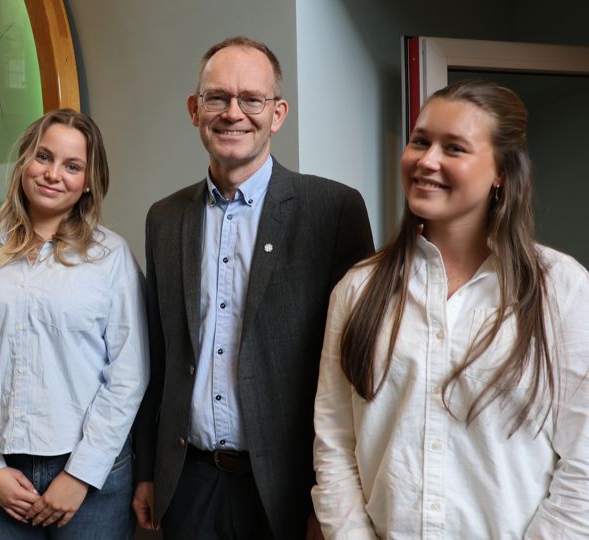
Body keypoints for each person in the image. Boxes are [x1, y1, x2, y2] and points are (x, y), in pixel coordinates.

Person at [312, 79, 589, 537]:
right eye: (420, 141)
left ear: (501, 170)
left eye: (454, 148)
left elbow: (583, 464)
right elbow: (335, 445)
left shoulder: (562, 290)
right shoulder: (358, 290)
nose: (427, 160)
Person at [132, 36, 374, 539]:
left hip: (290, 490)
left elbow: (357, 369)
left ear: (278, 113)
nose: (232, 113)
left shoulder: (332, 211)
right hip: (189, 482)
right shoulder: (165, 218)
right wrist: (148, 472)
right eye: (217, 97)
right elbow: (159, 359)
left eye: (252, 99)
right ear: (195, 109)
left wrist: (335, 500)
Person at [0, 108, 149, 539]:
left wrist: (81, 475)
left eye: (72, 166)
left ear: (89, 181)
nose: (53, 174)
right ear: (24, 163)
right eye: (43, 157)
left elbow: (128, 377)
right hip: (2, 471)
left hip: (92, 474)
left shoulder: (111, 258)